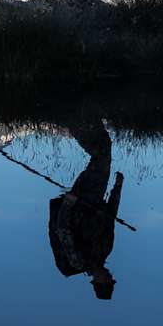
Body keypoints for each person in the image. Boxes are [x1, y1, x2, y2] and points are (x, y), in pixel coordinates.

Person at [48, 120, 124, 300]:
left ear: (97, 282)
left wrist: (69, 202)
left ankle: (76, 120)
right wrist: (118, 187)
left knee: (101, 155)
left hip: (80, 200)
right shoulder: (106, 250)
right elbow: (110, 216)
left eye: (107, 281)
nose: (110, 277)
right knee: (103, 151)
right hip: (95, 198)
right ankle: (87, 119)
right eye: (111, 279)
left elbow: (63, 228)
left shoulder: (78, 261)